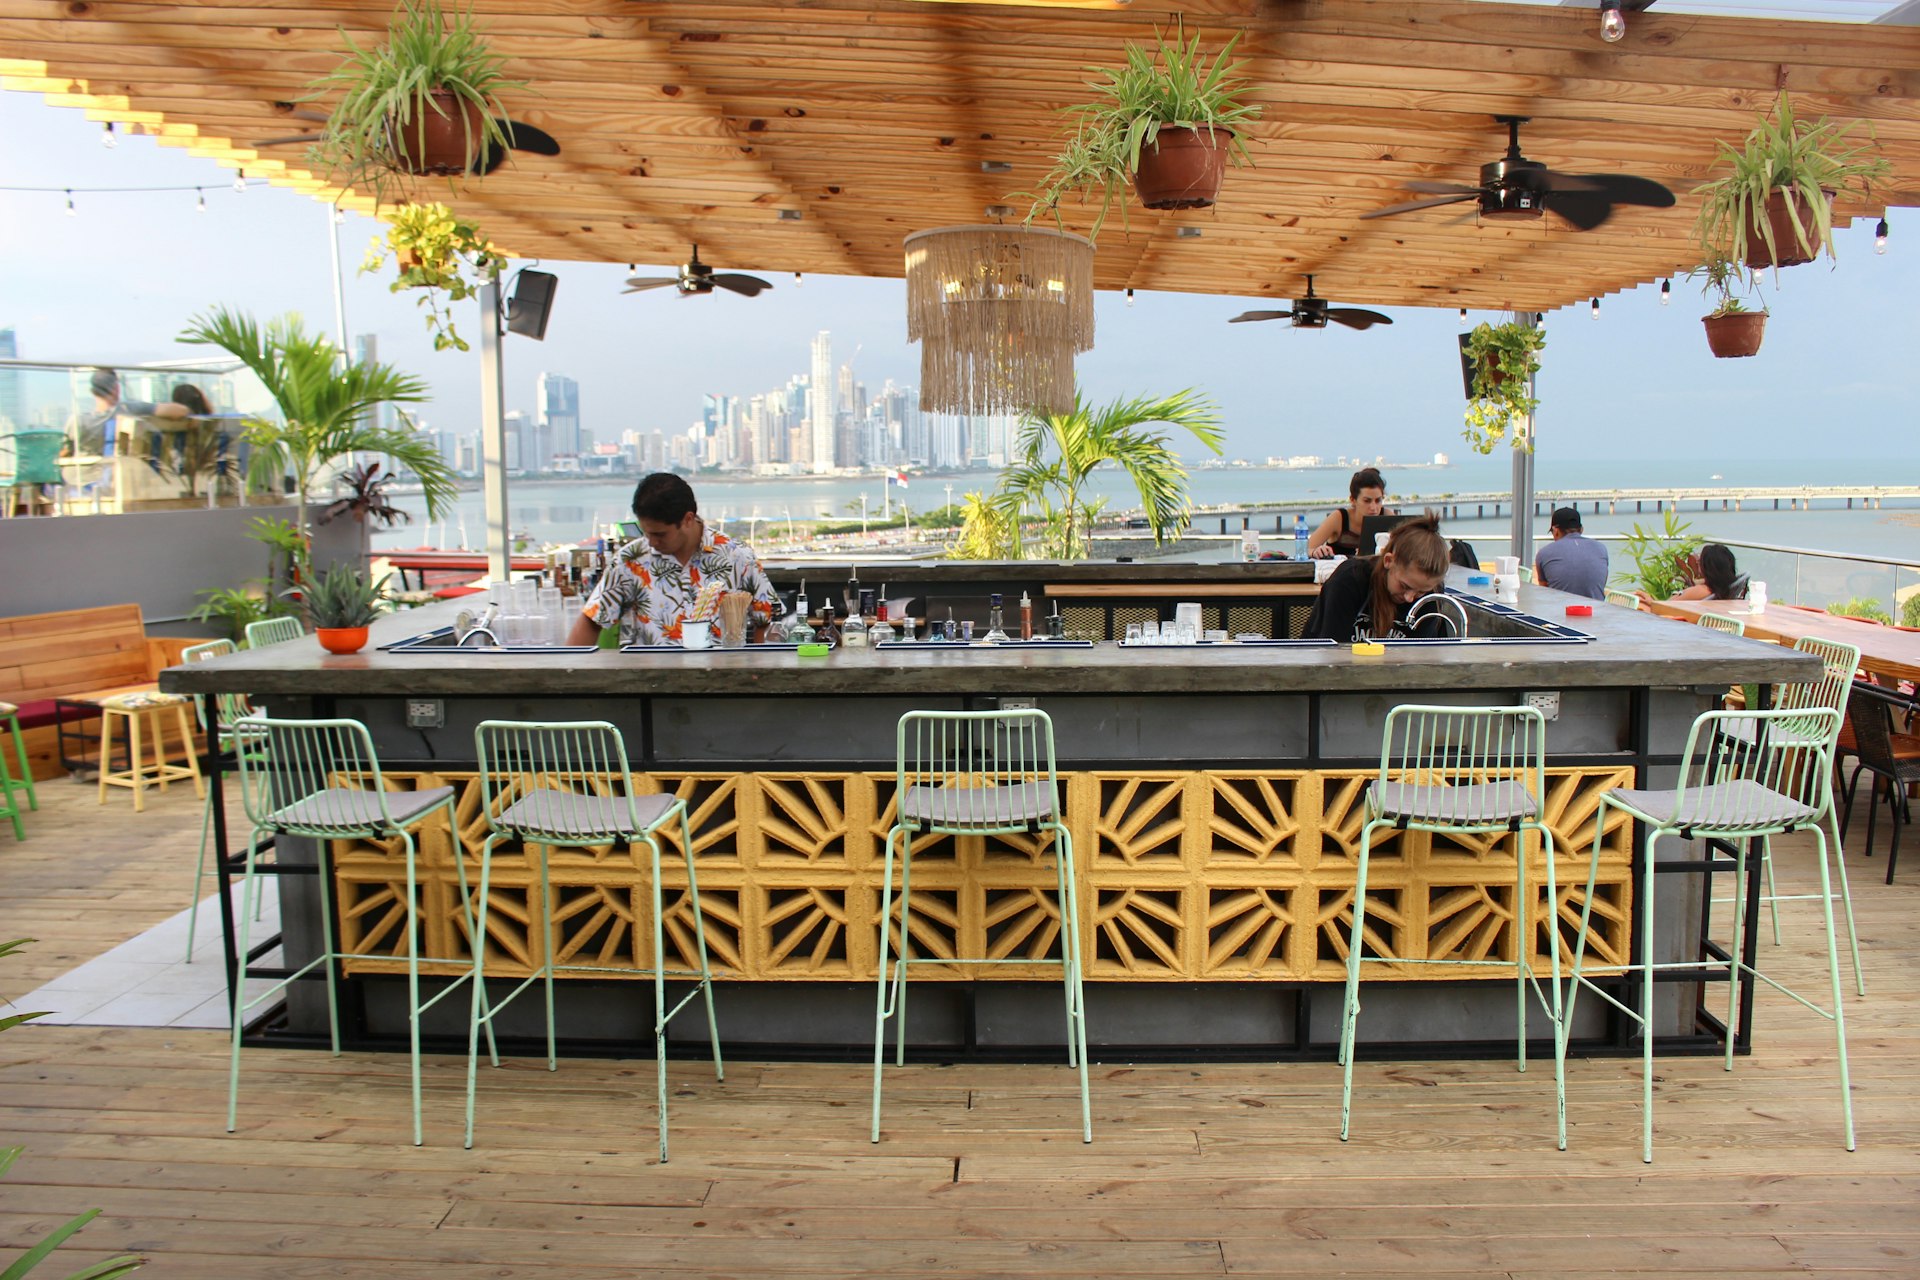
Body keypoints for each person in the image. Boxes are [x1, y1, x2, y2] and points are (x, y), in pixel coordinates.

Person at [567, 472, 781, 646]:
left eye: (660, 534)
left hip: (722, 685)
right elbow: (592, 619)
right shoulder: (630, 560)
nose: (650, 542)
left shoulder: (737, 556)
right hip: (650, 687)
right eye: (646, 533)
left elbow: (767, 621)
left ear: (687, 520)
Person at [1303, 511, 1451, 642]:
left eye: (1421, 592)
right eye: (1404, 586)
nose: (1409, 598)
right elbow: (1332, 654)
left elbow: (1422, 657)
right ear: (1388, 561)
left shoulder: (1431, 597)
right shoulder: (1349, 581)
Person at [1307, 467, 1390, 559]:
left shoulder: (1387, 516)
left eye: (1378, 501)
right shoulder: (1339, 518)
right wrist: (1316, 551)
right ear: (1353, 500)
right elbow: (1307, 548)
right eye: (1367, 501)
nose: (1374, 507)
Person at [1533, 506, 1609, 599]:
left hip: (1559, 611)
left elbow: (1544, 592)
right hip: (1596, 611)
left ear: (1556, 531)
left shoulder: (1544, 553)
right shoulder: (1601, 548)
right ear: (1581, 529)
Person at [1641, 543, 1747, 605]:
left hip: (1667, 618)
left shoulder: (1702, 590)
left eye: (1700, 562)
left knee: (1638, 599)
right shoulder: (1725, 588)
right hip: (1673, 617)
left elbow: (1666, 607)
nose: (1697, 562)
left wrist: (1650, 601)